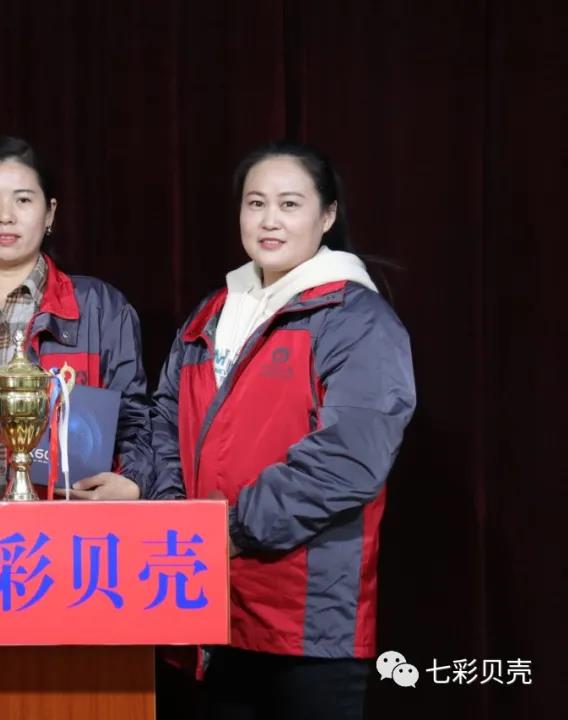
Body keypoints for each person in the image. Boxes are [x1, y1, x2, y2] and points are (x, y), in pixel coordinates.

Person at [151, 140, 416, 719]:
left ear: (328, 215)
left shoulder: (357, 320)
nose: (269, 220)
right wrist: (178, 522)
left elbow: (349, 459)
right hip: (209, 604)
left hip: (307, 621)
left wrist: (230, 530)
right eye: (256, 203)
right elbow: (165, 419)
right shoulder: (211, 313)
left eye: (290, 204)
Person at [0, 135, 165, 501]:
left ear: (50, 212)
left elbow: (134, 417)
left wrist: (132, 480)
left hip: (68, 525)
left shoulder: (101, 308)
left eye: (23, 200)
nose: (5, 216)